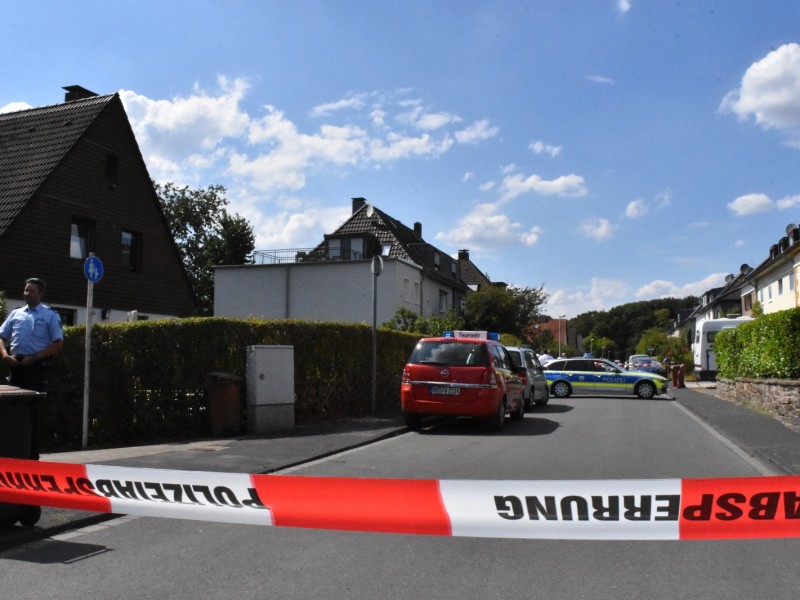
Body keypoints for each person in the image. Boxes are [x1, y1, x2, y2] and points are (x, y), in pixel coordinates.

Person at [0, 278, 64, 458]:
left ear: (40, 294)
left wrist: (34, 357)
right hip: (16, 367)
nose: (26, 293)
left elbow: (58, 343)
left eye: (31, 291)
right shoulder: (16, 314)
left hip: (35, 369)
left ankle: (31, 458)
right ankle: (12, 455)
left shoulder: (50, 315)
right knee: (11, 412)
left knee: (31, 415)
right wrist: (5, 355)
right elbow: (1, 336)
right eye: (26, 290)